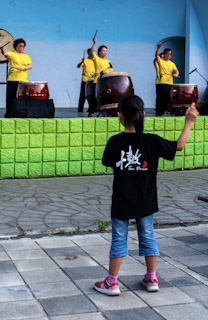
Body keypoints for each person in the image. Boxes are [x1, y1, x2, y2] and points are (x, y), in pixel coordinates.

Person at [94, 95, 198, 296]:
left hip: (122, 201)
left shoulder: (114, 142)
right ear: (143, 115)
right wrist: (189, 121)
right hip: (145, 201)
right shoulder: (151, 141)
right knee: (148, 237)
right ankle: (151, 277)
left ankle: (112, 282)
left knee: (118, 240)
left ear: (119, 116)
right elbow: (179, 146)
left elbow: (107, 162)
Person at [0, 38, 32, 117]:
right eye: (20, 46)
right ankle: (8, 114)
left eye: (23, 46)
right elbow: (5, 54)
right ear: (15, 47)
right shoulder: (12, 54)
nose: (21, 48)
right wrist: (2, 49)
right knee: (10, 98)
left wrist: (23, 68)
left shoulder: (26, 56)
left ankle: (20, 114)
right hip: (12, 79)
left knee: (21, 98)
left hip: (23, 80)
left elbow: (30, 65)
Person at [88, 37, 113, 116]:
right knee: (95, 98)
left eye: (106, 51)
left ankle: (105, 110)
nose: (105, 52)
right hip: (98, 80)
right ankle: (91, 112)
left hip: (106, 82)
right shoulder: (97, 59)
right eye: (103, 50)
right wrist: (94, 43)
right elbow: (92, 52)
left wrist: (107, 71)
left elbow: (111, 70)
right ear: (99, 52)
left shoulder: (108, 61)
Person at [155, 42, 179, 116]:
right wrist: (158, 47)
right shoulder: (160, 61)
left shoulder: (172, 63)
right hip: (161, 82)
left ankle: (166, 112)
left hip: (169, 83)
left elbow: (176, 70)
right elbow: (156, 55)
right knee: (161, 99)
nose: (168, 55)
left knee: (168, 98)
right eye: (167, 53)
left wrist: (176, 74)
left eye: (170, 54)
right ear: (164, 54)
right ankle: (158, 113)